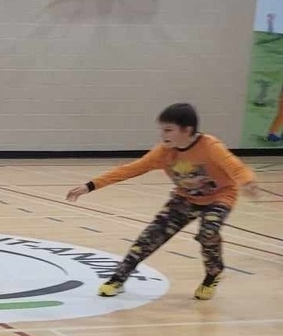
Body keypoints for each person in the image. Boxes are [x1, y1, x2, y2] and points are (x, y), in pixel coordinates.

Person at [66, 103, 259, 300]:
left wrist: (248, 181)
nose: (162, 134)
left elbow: (235, 166)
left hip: (219, 197)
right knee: (149, 238)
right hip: (184, 198)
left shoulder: (210, 147)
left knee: (208, 231)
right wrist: (90, 185)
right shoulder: (164, 152)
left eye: (168, 130)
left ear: (187, 130)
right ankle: (118, 278)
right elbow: (131, 169)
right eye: (161, 129)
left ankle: (213, 273)